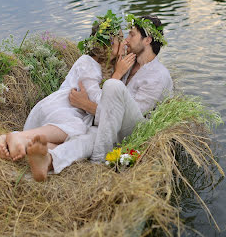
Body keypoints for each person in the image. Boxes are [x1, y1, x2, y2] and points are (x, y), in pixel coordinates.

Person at [26, 14, 173, 181]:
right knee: (85, 137)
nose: (126, 39)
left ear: (147, 40)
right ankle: (49, 160)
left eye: (132, 34)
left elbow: (129, 115)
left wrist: (87, 106)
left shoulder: (158, 76)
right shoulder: (128, 63)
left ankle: (99, 159)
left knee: (112, 85)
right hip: (109, 125)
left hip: (135, 128)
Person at [0, 11, 131, 162]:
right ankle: (18, 136)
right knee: (76, 128)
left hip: (73, 112)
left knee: (74, 141)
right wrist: (117, 75)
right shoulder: (87, 64)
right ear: (109, 44)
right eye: (120, 39)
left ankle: (12, 141)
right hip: (62, 106)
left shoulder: (101, 66)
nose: (124, 43)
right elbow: (102, 100)